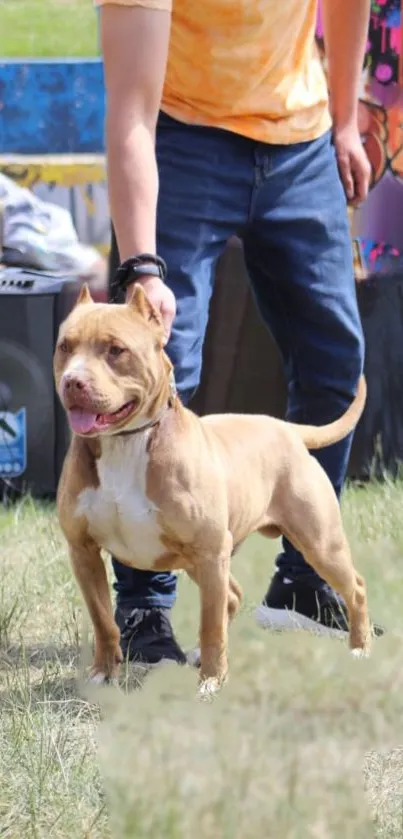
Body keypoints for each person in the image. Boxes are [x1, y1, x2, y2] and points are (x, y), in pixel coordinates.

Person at [96, 0, 376, 666]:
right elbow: (130, 112)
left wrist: (342, 118)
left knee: (336, 360)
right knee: (159, 366)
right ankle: (144, 606)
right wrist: (141, 267)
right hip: (182, 133)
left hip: (299, 140)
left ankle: (303, 585)